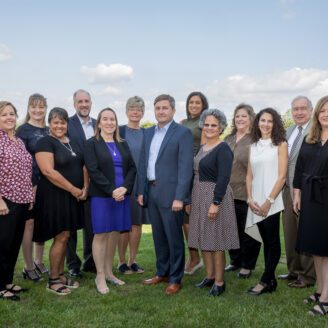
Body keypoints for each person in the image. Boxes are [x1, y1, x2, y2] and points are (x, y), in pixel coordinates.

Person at [137, 94, 193, 295]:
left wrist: (180, 197)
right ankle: (162, 272)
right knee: (159, 236)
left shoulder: (182, 133)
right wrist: (142, 191)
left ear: (173, 110)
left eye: (165, 108)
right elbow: (144, 164)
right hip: (151, 192)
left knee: (174, 237)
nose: (161, 111)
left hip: (171, 195)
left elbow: (185, 167)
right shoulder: (148, 133)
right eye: (158, 108)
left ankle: (176, 278)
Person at [33, 107, 88, 295]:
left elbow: (84, 167)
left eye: (62, 122)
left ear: (67, 124)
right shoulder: (44, 142)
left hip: (73, 197)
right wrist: (73, 189)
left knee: (67, 236)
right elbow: (48, 171)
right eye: (55, 122)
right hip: (55, 196)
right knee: (61, 236)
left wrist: (85, 189)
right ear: (49, 124)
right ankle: (53, 279)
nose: (59, 126)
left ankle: (60, 274)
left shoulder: (72, 142)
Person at [84, 108, 136, 294]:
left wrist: (125, 188)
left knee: (114, 232)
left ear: (116, 122)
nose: (109, 122)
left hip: (122, 195)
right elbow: (93, 170)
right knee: (101, 234)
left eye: (112, 119)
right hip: (102, 195)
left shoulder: (122, 143)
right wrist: (111, 190)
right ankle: (99, 275)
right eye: (105, 119)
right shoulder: (91, 144)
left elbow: (132, 169)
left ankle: (109, 272)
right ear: (98, 123)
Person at [188, 109, 239, 296]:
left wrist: (215, 202)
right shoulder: (202, 148)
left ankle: (219, 282)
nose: (209, 128)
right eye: (207, 124)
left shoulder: (223, 148)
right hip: (199, 195)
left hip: (215, 196)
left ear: (221, 128)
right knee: (204, 238)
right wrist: (190, 198)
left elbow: (224, 177)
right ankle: (209, 276)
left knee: (216, 241)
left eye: (214, 125)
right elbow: (195, 174)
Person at [245, 108, 288, 295]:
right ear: (258, 122)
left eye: (270, 121)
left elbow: (282, 177)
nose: (266, 124)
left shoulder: (280, 144)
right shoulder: (253, 145)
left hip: (272, 200)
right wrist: (249, 198)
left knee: (272, 241)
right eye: (263, 120)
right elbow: (249, 175)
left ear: (275, 123)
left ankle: (264, 281)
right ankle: (271, 281)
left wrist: (269, 201)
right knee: (266, 242)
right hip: (255, 201)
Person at [293, 96, 328, 316]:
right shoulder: (310, 137)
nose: (326, 114)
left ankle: (326, 299)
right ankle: (319, 289)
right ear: (317, 114)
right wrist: (297, 192)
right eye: (323, 111)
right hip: (309, 197)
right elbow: (299, 166)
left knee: (327, 250)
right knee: (316, 247)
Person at [279, 96, 315, 288]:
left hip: (305, 189)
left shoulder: (315, 130)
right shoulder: (289, 130)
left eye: (303, 108)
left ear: (310, 110)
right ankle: (294, 271)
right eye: (295, 109)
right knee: (290, 231)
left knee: (305, 232)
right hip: (287, 189)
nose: (299, 112)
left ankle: (308, 276)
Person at [0, 101, 33, 301]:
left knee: (14, 243)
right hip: (5, 200)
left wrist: (29, 196)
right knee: (2, 244)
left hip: (22, 199)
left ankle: (7, 281)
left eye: (12, 114)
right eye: (4, 114)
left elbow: (25, 171)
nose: (9, 117)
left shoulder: (19, 141)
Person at [224, 104, 261, 278]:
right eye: (237, 116)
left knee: (248, 230)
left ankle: (247, 265)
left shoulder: (256, 139)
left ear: (251, 118)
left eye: (244, 116)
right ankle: (235, 260)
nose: (240, 119)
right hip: (227, 192)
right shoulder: (229, 139)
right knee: (231, 229)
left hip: (247, 192)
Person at [16, 93, 49, 282]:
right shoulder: (23, 130)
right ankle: (27, 267)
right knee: (28, 224)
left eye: (41, 106)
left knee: (41, 222)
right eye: (34, 106)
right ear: (28, 108)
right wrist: (30, 186)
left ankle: (38, 260)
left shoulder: (48, 129)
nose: (38, 110)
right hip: (29, 184)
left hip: (47, 184)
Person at [66, 89, 96, 277]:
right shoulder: (67, 124)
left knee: (91, 226)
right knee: (70, 227)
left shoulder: (98, 124)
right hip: (72, 182)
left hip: (95, 183)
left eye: (87, 101)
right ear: (74, 104)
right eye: (80, 101)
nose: (84, 104)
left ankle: (90, 261)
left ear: (91, 102)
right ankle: (73, 265)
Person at [117, 96, 149, 275]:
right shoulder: (119, 131)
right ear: (126, 111)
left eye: (138, 108)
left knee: (136, 224)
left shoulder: (147, 133)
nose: (135, 111)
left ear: (143, 112)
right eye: (132, 108)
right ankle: (121, 262)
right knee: (124, 224)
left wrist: (144, 187)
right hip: (122, 183)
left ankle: (133, 260)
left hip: (140, 184)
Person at [181, 91, 208, 275]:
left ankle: (202, 258)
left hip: (196, 172)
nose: (194, 105)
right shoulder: (183, 123)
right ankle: (194, 256)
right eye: (191, 102)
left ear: (203, 104)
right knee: (184, 217)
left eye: (198, 102)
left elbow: (205, 148)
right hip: (182, 171)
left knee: (195, 217)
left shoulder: (205, 122)